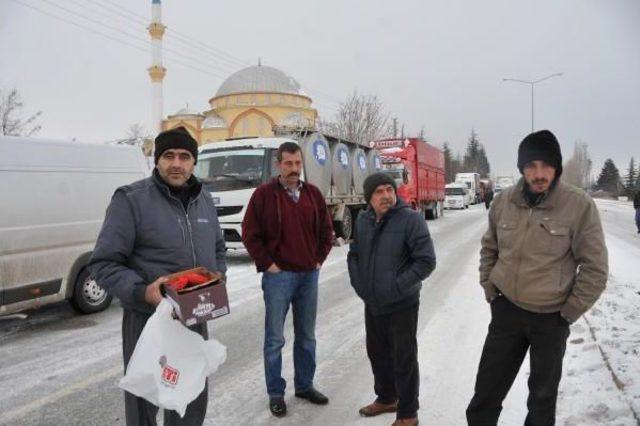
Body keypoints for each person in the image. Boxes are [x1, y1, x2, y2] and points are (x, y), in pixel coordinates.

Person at [466, 130, 608, 425]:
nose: (539, 173)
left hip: (550, 320)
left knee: (541, 405)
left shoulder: (578, 206)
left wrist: (567, 313)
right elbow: (489, 247)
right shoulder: (504, 201)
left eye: (546, 165)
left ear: (556, 167)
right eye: (531, 165)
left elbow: (595, 268)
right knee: (485, 396)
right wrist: (490, 289)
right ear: (522, 168)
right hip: (507, 312)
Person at [89, 126, 227, 426]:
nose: (176, 163)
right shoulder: (131, 200)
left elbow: (218, 248)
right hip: (147, 320)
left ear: (194, 162)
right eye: (169, 155)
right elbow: (103, 263)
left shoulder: (203, 199)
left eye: (185, 156)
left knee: (190, 396)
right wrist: (143, 291)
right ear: (157, 160)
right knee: (145, 400)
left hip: (192, 318)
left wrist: (218, 277)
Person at [241, 142, 334, 418]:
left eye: (297, 164)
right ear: (278, 164)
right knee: (275, 339)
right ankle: (276, 393)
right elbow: (250, 233)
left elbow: (327, 231)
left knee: (306, 337)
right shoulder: (263, 195)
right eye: (288, 163)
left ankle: (304, 386)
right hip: (278, 278)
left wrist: (318, 259)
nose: (294, 169)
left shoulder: (313, 194)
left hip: (308, 276)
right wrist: (267, 264)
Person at [347, 172, 436, 426]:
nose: (386, 195)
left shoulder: (410, 219)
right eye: (379, 191)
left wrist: (396, 286)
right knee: (377, 353)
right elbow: (354, 254)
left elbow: (427, 261)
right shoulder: (362, 220)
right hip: (372, 302)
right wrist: (360, 284)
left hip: (402, 303)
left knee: (403, 357)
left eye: (389, 189)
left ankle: (408, 413)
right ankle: (387, 398)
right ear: (369, 197)